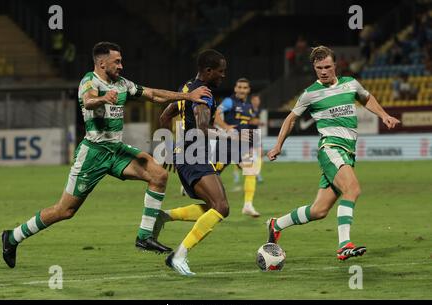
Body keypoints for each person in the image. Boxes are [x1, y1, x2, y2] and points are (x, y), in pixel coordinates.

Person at [1, 41, 212, 268]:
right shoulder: (89, 81)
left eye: (121, 61)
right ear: (102, 63)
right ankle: (12, 237)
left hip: (116, 150)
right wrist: (102, 99)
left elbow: (152, 95)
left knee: (158, 175)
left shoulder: (122, 84)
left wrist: (187, 97)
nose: (121, 65)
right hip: (93, 154)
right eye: (117, 61)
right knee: (65, 210)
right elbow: (88, 100)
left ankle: (144, 237)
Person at [266, 46, 400, 261]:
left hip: (348, 152)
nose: (324, 71)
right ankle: (343, 244)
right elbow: (291, 119)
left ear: (335, 65)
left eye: (327, 66)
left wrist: (384, 115)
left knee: (319, 210)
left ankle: (276, 224)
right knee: (353, 188)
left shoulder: (350, 84)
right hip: (331, 148)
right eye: (319, 68)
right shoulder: (310, 93)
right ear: (314, 68)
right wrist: (278, 145)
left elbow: (366, 98)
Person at [158, 49, 229, 276]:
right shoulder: (204, 93)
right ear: (208, 71)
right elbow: (202, 130)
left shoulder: (185, 88)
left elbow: (164, 117)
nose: (223, 75)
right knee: (221, 207)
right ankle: (179, 255)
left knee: (211, 207)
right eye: (221, 71)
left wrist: (169, 148)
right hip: (194, 155)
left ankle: (165, 216)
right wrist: (232, 136)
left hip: (185, 154)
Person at [213, 78, 262, 217]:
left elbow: (244, 123)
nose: (241, 90)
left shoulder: (248, 106)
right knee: (212, 173)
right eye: (239, 87)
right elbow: (216, 114)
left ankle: (248, 205)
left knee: (251, 171)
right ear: (235, 89)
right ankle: (190, 186)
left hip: (242, 146)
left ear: (248, 90)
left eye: (244, 87)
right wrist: (226, 127)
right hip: (227, 144)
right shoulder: (229, 101)